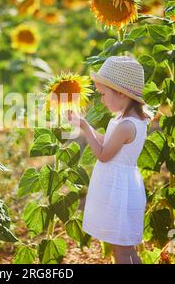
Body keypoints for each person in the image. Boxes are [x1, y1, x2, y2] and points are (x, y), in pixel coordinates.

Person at [67, 55, 153, 264]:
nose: (102, 99)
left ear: (122, 94)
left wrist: (85, 129)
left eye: (104, 94)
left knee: (122, 251)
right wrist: (84, 124)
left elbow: (103, 155)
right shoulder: (125, 120)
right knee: (126, 249)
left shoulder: (126, 125)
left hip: (119, 192)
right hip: (121, 186)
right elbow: (107, 141)